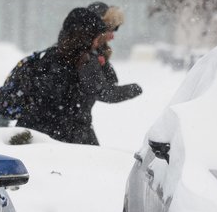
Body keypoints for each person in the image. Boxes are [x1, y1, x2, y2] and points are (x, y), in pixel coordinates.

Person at [16, 7, 142, 145]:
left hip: (33, 132)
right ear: (86, 36)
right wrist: (135, 89)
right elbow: (102, 90)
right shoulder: (85, 61)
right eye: (97, 35)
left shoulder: (51, 55)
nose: (105, 38)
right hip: (68, 135)